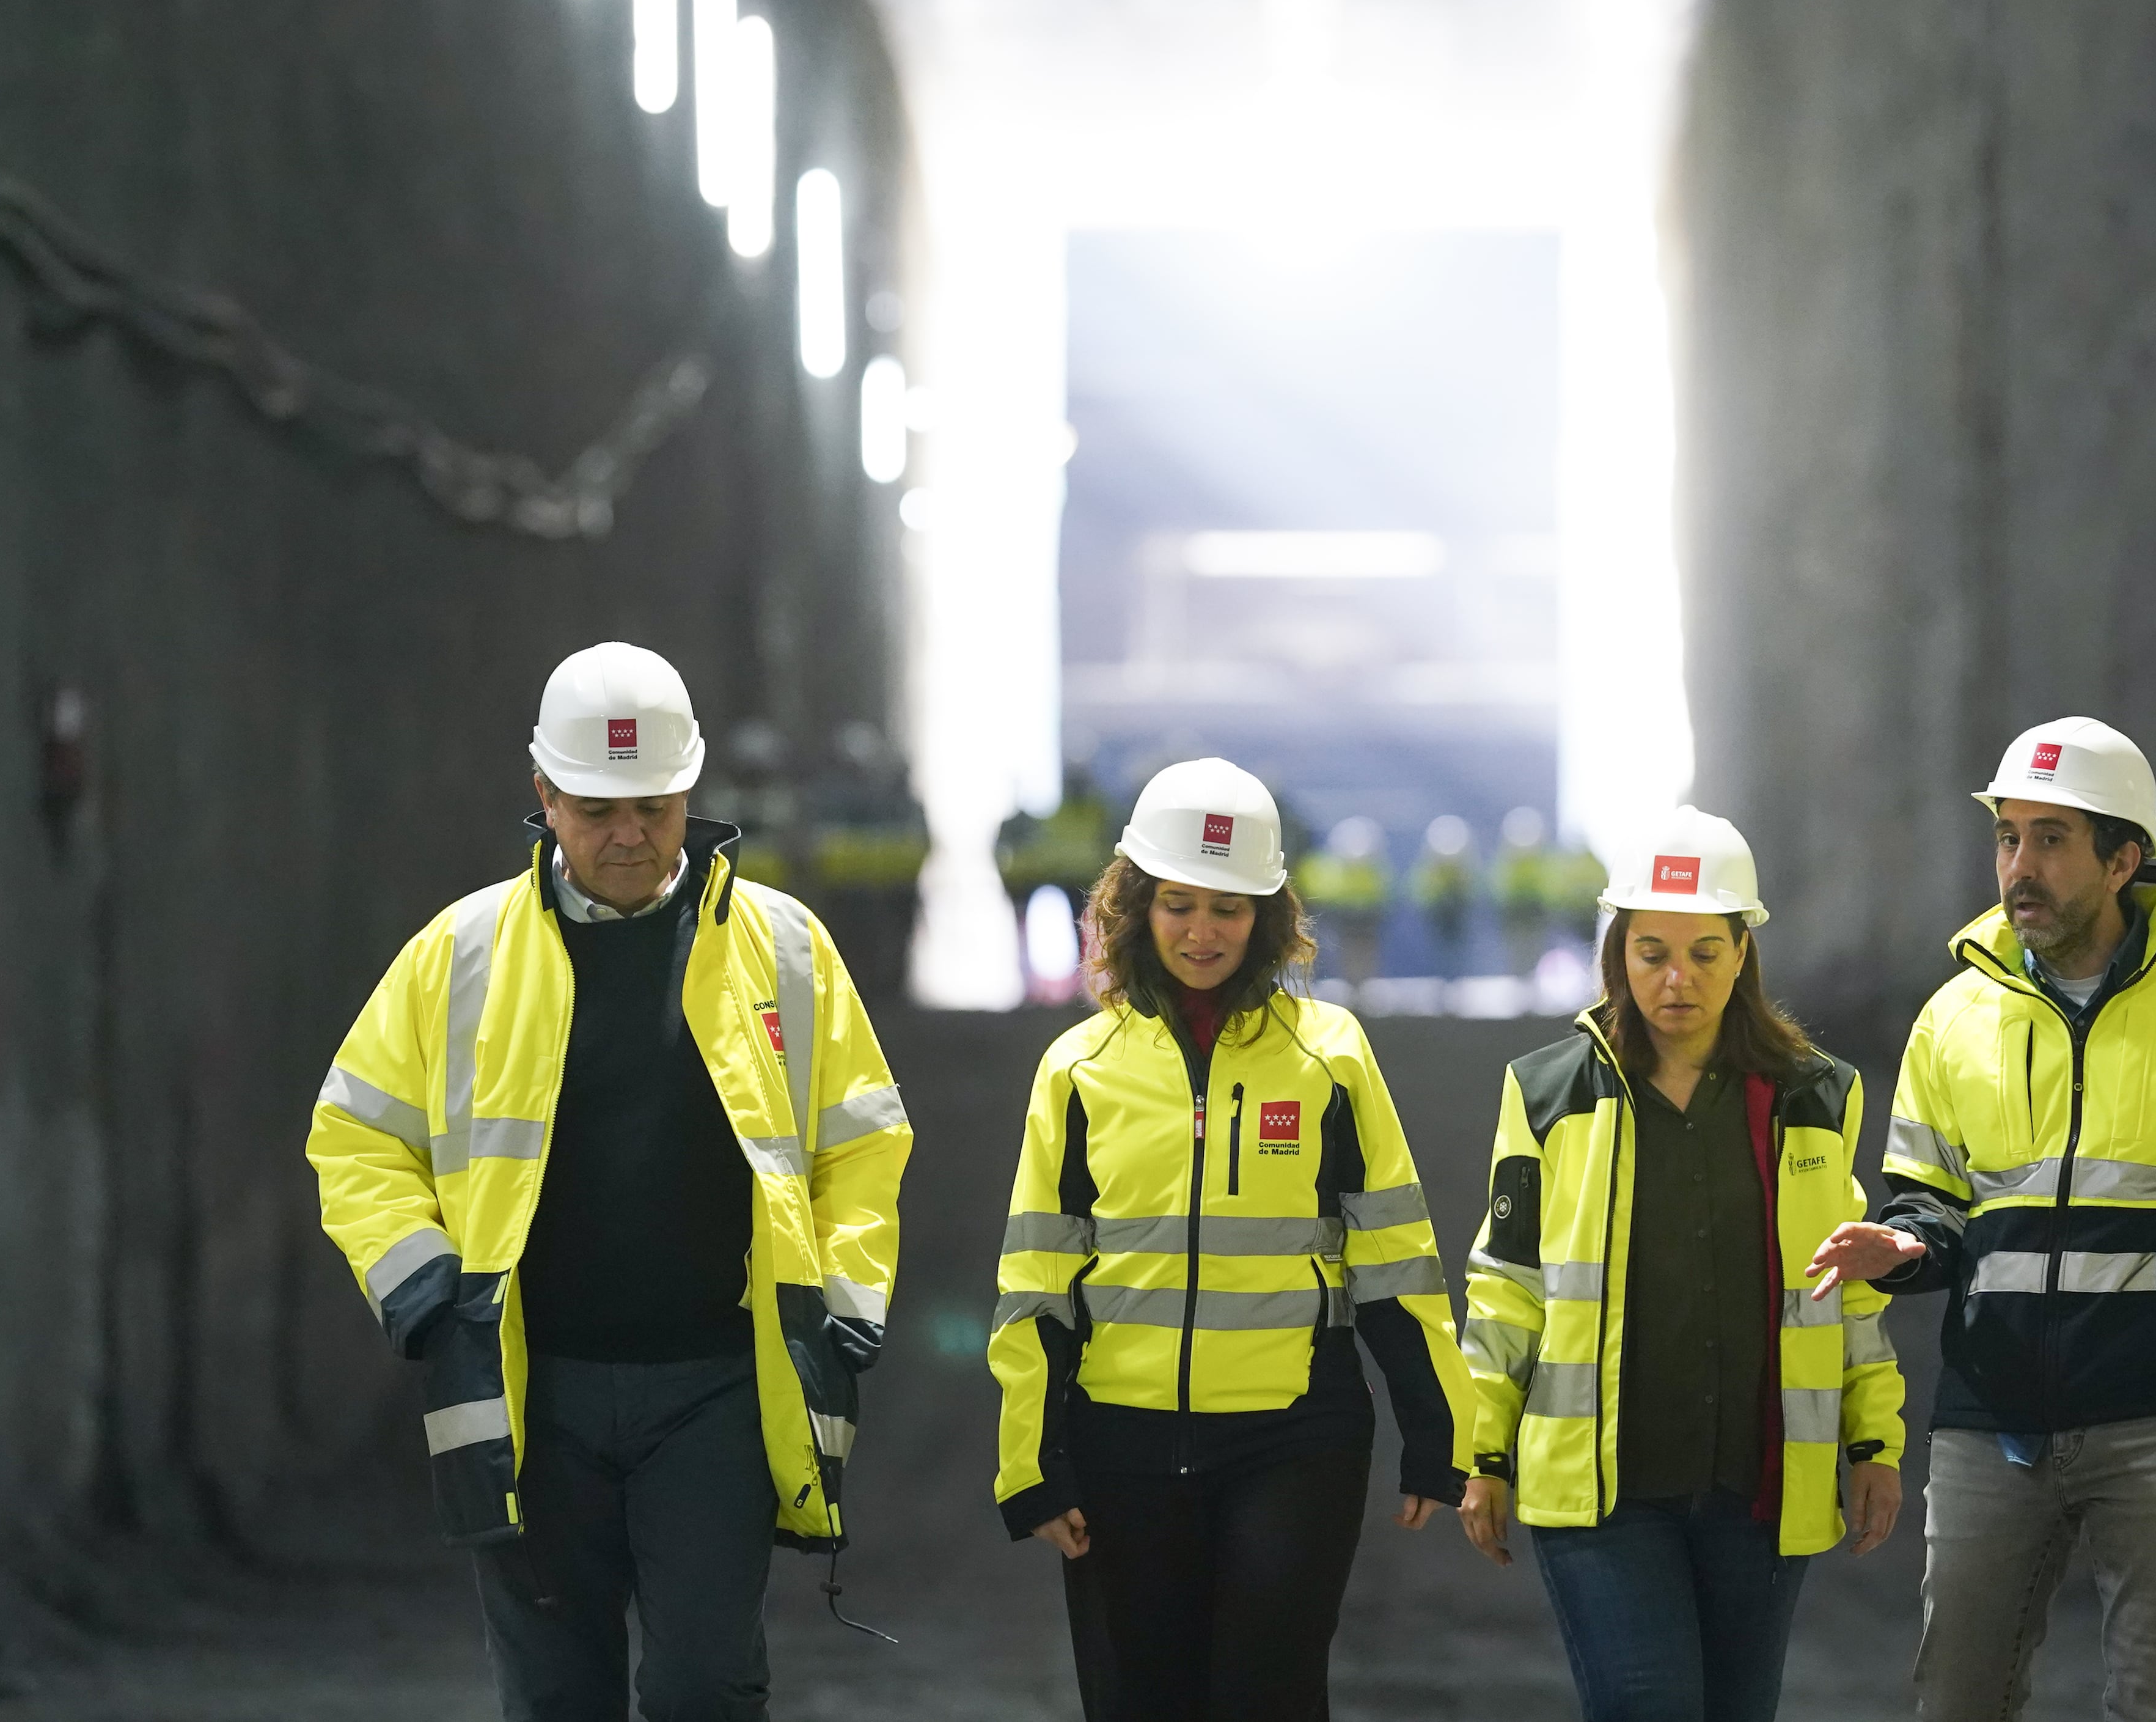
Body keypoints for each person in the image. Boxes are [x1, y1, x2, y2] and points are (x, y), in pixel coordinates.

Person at [309, 642, 911, 1721]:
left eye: (654, 805)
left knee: (702, 1684)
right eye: (597, 808)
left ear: (690, 793)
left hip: (719, 1387)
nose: (629, 833)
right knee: (554, 1690)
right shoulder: (461, 954)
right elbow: (357, 1131)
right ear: (544, 796)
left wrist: (848, 1297)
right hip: (532, 1386)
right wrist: (423, 1285)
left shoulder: (784, 950)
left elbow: (861, 1139)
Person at [1806, 715, 2156, 1722]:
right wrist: (1905, 1245)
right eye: (2009, 836)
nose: (2021, 865)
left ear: (2122, 857)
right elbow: (1932, 1204)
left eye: (2052, 838)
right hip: (1992, 1416)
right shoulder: (1952, 1018)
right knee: (1957, 1697)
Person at [989, 758, 1475, 1722]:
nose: (1202, 933)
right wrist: (1030, 1463)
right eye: (1177, 905)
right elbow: (1037, 1282)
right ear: (1134, 905)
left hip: (1294, 1439)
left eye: (1229, 908)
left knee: (1271, 1697)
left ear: (1268, 915)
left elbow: (1394, 1254)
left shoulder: (1330, 1056)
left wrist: (1439, 1427)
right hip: (1119, 1443)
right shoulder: (1077, 1070)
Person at [1455, 807, 1907, 1722]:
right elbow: (1507, 1287)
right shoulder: (1547, 1094)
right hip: (1603, 1490)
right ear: (1618, 950)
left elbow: (1844, 1287)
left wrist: (1873, 1441)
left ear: (1743, 954)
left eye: (1705, 952)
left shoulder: (1817, 1097)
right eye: (1652, 949)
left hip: (1760, 1486)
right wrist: (1484, 1453)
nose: (1677, 978)